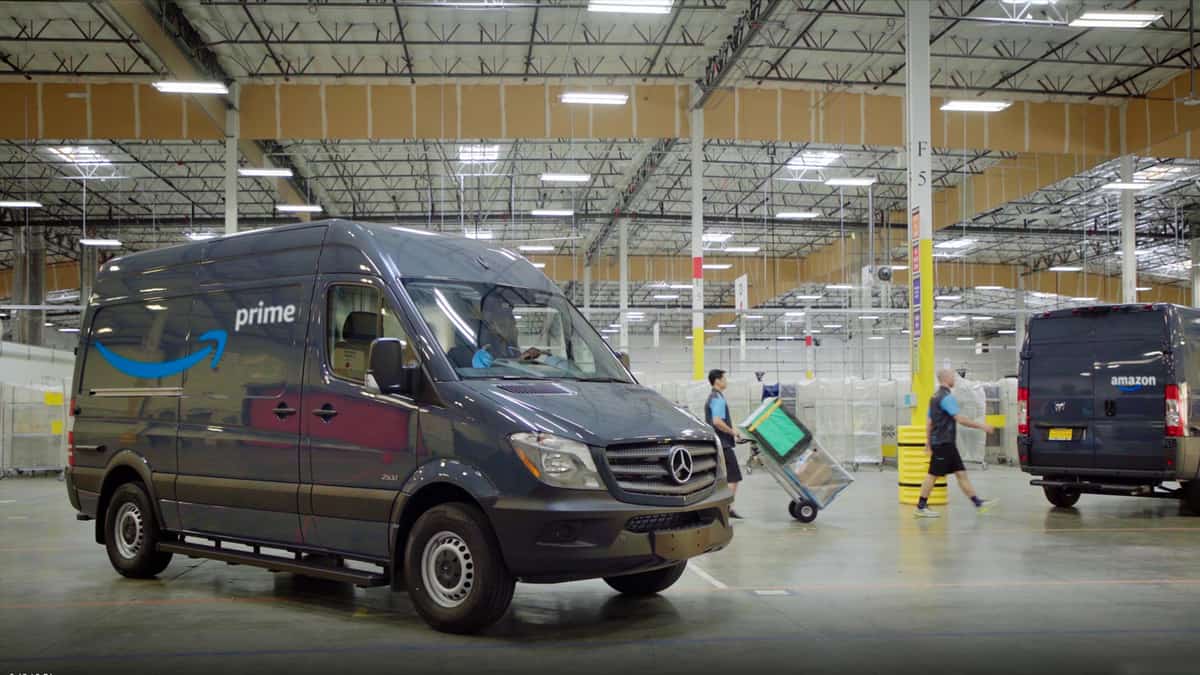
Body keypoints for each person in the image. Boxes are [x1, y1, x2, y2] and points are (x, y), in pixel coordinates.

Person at [915, 368, 997, 518]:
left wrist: (928, 443)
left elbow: (929, 423)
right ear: (946, 379)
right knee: (932, 475)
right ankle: (921, 506)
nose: (954, 379)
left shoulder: (933, 397)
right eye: (953, 377)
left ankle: (978, 503)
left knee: (961, 474)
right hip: (943, 442)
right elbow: (960, 419)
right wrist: (982, 426)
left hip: (945, 443)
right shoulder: (946, 398)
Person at [706, 369, 744, 519]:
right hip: (723, 444)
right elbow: (717, 422)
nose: (726, 381)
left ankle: (725, 508)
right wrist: (733, 432)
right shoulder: (718, 398)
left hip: (718, 442)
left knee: (722, 477)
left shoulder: (713, 396)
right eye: (724, 378)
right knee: (734, 476)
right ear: (717, 381)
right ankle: (726, 508)